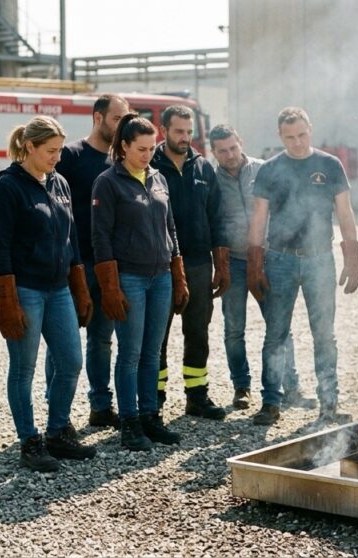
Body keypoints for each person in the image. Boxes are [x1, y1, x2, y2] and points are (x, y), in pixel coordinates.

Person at [0, 116, 95, 471]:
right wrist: (7, 302)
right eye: (50, 151)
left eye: (61, 150)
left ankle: (58, 431)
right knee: (24, 368)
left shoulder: (59, 183)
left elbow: (72, 238)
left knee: (70, 361)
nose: (57, 157)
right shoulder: (7, 188)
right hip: (25, 290)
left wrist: (80, 288)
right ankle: (29, 441)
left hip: (59, 288)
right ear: (28, 147)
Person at [247, 107, 358, 425]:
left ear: (310, 129)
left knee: (324, 335)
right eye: (289, 137)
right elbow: (259, 217)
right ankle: (271, 402)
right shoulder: (270, 169)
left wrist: (353, 257)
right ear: (279, 136)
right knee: (276, 334)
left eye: (301, 134)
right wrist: (255, 263)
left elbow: (346, 212)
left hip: (319, 258)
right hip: (280, 259)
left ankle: (329, 404)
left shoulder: (329, 165)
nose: (297, 142)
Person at [91, 113, 185, 451]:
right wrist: (110, 286)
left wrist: (178, 274)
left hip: (160, 276)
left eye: (151, 148)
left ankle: (150, 416)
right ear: (124, 146)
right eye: (141, 149)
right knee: (129, 353)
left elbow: (170, 227)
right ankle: (129, 422)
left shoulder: (158, 178)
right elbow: (100, 237)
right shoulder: (108, 182)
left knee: (152, 351)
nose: (148, 155)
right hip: (129, 277)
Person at [209, 124, 314, 411]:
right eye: (222, 151)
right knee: (234, 328)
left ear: (241, 141)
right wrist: (218, 262)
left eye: (233, 147)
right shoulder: (210, 178)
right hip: (232, 261)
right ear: (213, 152)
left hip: (269, 259)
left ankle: (290, 388)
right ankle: (241, 387)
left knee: (279, 326)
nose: (230, 155)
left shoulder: (264, 170)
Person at [44, 94, 130, 429]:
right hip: (73, 265)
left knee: (102, 338)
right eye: (116, 118)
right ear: (98, 118)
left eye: (127, 118)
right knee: (61, 339)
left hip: (107, 265)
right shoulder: (71, 157)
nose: (122, 124)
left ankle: (100, 405)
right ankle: (57, 410)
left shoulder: (121, 161)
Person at [150, 105, 228, 420]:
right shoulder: (149, 164)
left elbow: (218, 217)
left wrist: (220, 264)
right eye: (178, 131)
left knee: (198, 332)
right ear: (164, 130)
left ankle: (197, 397)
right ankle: (152, 400)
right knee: (158, 335)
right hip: (161, 266)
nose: (185, 138)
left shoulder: (204, 168)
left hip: (198, 264)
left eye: (189, 131)